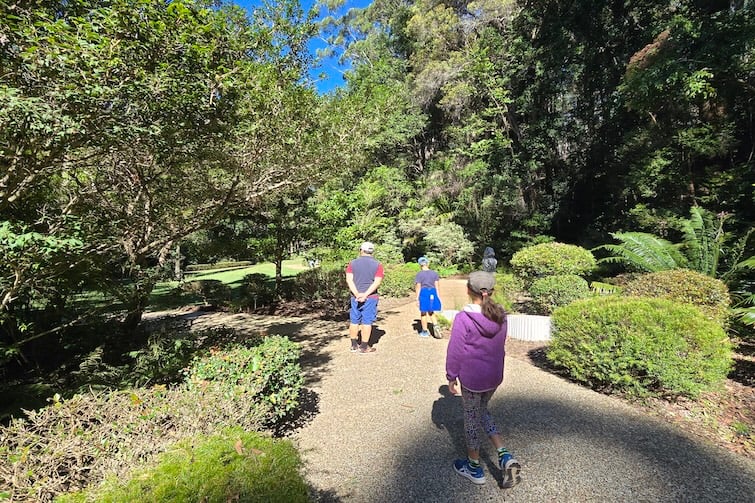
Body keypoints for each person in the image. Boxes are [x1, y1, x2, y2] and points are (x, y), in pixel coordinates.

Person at [446, 271, 521, 487]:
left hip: (473, 378)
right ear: (492, 292)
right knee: (482, 411)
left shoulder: (464, 318)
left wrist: (451, 376)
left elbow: (455, 350)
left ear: (468, 290)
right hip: (494, 375)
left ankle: (474, 467)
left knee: (471, 418)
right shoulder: (501, 316)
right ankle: (505, 455)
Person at [345, 241, 384, 354]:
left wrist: (357, 294)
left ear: (361, 250)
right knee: (367, 321)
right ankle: (364, 347)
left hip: (355, 297)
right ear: (372, 252)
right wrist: (366, 294)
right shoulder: (378, 265)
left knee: (354, 320)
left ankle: (353, 345)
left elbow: (349, 280)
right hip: (370, 297)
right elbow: (377, 282)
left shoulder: (352, 263)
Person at [414, 256, 443, 338]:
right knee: (431, 311)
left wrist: (417, 298)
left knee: (423, 313)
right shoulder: (434, 273)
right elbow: (437, 286)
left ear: (420, 265)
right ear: (428, 263)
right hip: (433, 293)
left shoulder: (419, 274)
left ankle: (425, 331)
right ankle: (436, 326)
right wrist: (438, 296)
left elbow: (418, 287)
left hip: (424, 293)